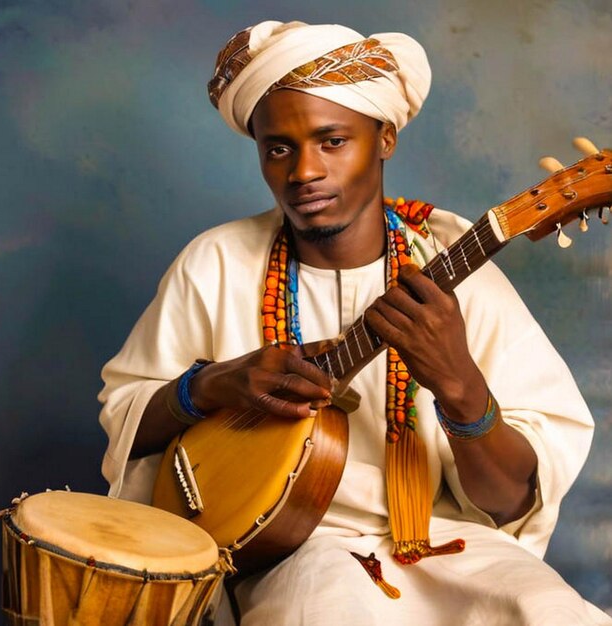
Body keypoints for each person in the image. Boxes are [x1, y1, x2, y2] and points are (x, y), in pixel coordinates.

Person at [98, 20, 610, 625]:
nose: (303, 171)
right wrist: (211, 385)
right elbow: (129, 418)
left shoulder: (455, 271)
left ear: (385, 138)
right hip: (295, 551)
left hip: (451, 543)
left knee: (553, 612)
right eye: (278, 148)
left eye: (332, 141)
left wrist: (459, 384)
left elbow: (509, 504)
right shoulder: (215, 262)